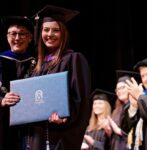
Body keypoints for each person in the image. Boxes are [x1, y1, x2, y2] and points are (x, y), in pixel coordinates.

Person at [25, 5, 91, 150]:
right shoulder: (38, 66)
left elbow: (81, 99)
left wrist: (65, 116)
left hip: (59, 135)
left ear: (64, 33)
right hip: (37, 135)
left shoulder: (74, 59)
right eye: (46, 29)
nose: (50, 34)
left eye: (56, 30)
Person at [0, 16, 36, 150]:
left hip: (30, 123)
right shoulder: (0, 60)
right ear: (7, 36)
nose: (17, 38)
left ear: (30, 38)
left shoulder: (37, 64)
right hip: (3, 122)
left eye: (22, 34)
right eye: (13, 33)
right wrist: (1, 101)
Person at [121, 58, 147, 150]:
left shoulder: (141, 96)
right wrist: (133, 106)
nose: (145, 79)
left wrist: (139, 96)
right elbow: (126, 128)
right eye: (143, 76)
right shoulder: (143, 96)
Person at [108, 70, 140, 150]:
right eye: (117, 89)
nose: (119, 91)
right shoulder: (117, 110)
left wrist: (118, 130)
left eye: (122, 88)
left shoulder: (137, 106)